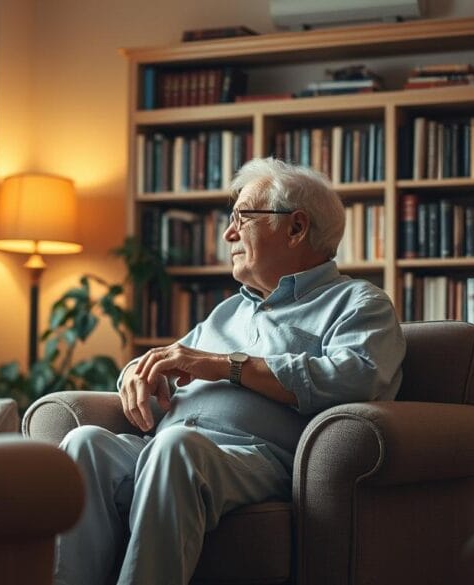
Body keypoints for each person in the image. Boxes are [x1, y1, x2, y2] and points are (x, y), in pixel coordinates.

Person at [53, 157, 406, 585]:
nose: (228, 233)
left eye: (244, 217)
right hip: (171, 444)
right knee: (82, 442)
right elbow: (175, 359)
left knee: (178, 448)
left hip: (256, 458)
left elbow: (359, 376)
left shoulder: (358, 303)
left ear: (296, 228)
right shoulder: (229, 311)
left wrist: (224, 365)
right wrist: (137, 372)